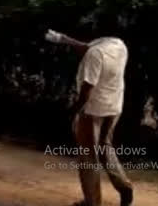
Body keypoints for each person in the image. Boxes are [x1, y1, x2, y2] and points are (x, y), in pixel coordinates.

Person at [45, 27, 134, 206]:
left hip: (93, 110)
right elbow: (89, 48)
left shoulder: (95, 54)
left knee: (88, 156)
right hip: (114, 107)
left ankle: (92, 202)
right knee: (105, 146)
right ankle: (124, 185)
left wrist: (74, 110)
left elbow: (87, 89)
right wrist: (63, 38)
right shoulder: (119, 46)